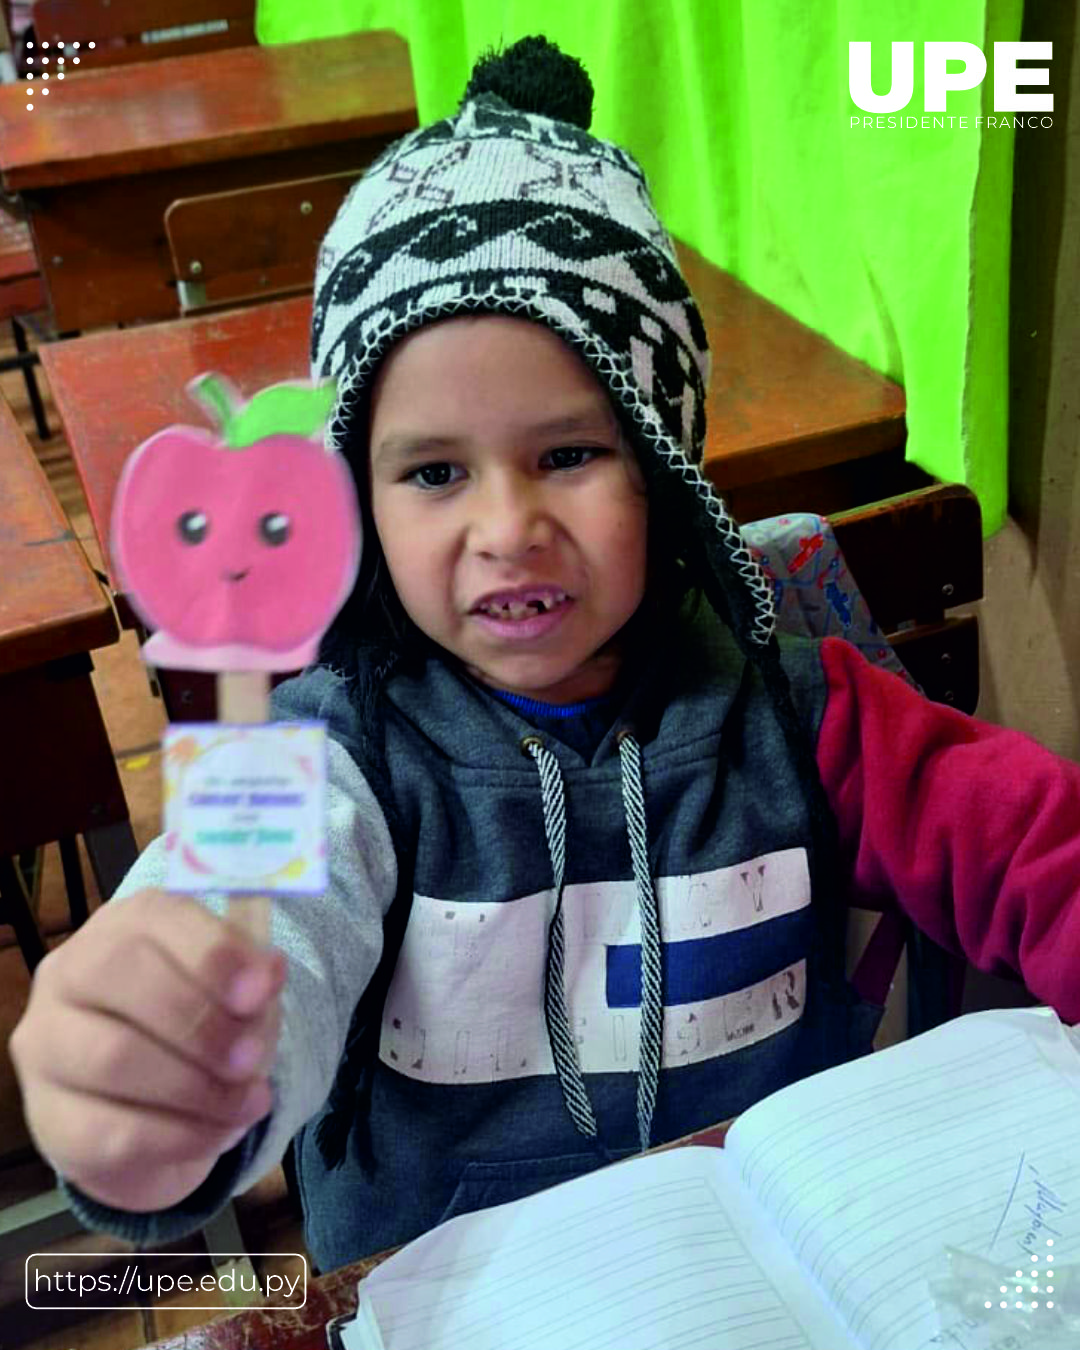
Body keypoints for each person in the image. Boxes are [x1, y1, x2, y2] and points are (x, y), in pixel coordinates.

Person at [10, 36, 1080, 1274]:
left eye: (571, 454)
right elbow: (246, 912)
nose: (509, 529)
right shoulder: (332, 752)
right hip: (453, 1293)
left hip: (766, 1274)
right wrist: (169, 1047)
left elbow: (1027, 844)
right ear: (360, 502)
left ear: (665, 481)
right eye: (434, 473)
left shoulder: (791, 704)